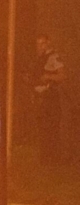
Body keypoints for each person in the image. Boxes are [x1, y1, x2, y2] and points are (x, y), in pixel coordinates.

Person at [32, 34, 66, 165]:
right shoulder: (39, 58)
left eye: (43, 43)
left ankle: (54, 159)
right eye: (38, 44)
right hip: (39, 96)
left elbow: (62, 76)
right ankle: (45, 159)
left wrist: (48, 76)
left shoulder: (53, 57)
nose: (40, 46)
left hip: (49, 96)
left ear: (48, 43)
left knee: (51, 128)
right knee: (42, 128)